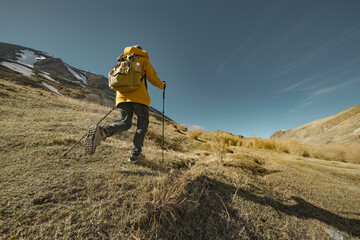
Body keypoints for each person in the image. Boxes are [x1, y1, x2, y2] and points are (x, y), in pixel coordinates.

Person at [84, 45, 166, 162]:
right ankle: (135, 154)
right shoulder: (144, 60)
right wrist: (162, 85)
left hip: (122, 97)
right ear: (141, 50)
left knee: (125, 123)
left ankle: (103, 132)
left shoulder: (122, 60)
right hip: (140, 98)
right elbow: (153, 78)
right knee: (142, 124)